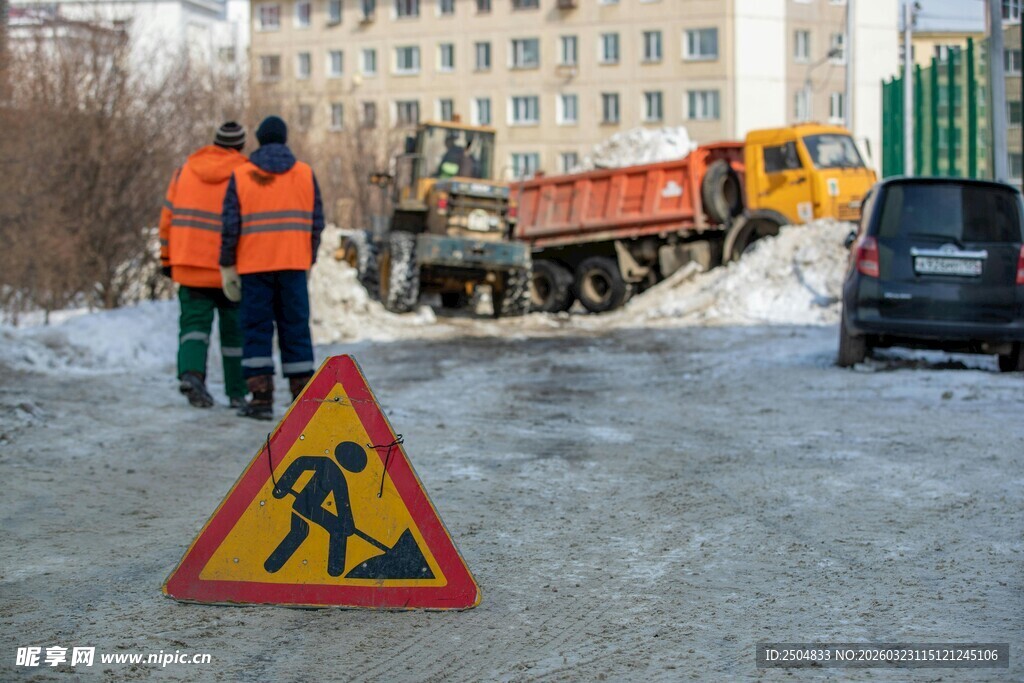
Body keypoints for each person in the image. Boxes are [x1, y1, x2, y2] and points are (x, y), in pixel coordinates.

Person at [220, 116, 324, 421]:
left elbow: (230, 225)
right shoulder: (304, 173)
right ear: (285, 138)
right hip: (293, 263)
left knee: (256, 330)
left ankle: (261, 398)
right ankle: (302, 399)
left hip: (254, 266)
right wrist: (309, 257)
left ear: (260, 138)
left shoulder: (242, 175)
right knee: (296, 328)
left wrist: (227, 263)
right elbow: (317, 222)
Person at [159, 122, 249, 409]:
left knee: (193, 327)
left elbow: (167, 219)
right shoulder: (245, 172)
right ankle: (237, 392)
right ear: (240, 146)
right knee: (234, 332)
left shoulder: (185, 171)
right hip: (230, 269)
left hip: (189, 264)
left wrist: (166, 258)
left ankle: (192, 375)